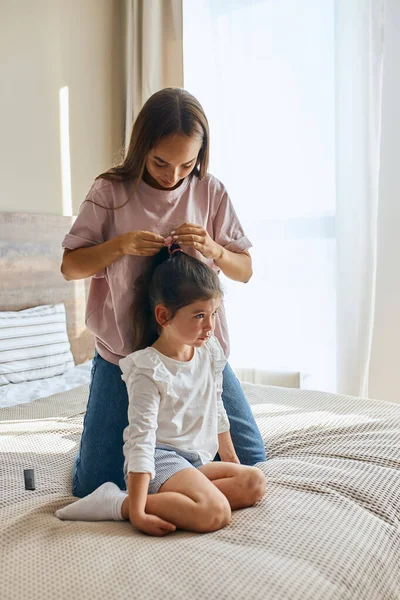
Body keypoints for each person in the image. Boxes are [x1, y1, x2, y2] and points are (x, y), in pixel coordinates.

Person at [61, 87, 266, 499]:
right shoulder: (110, 192)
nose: (172, 176)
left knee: (251, 458)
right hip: (125, 357)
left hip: (195, 353)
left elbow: (244, 270)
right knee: (95, 484)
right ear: (142, 148)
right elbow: (71, 266)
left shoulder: (210, 191)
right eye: (160, 162)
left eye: (186, 164)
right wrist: (119, 246)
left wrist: (213, 248)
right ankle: (135, 451)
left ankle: (174, 463)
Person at [56, 245, 266, 536]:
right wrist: (139, 511)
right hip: (162, 459)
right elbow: (140, 440)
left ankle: (185, 498)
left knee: (254, 481)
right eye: (199, 316)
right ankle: (119, 504)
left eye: (214, 314)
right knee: (215, 512)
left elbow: (217, 409)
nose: (210, 326)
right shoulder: (148, 369)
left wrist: (232, 463)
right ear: (163, 316)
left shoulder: (208, 351)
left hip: (194, 459)